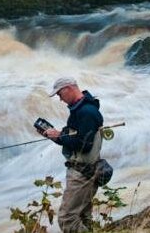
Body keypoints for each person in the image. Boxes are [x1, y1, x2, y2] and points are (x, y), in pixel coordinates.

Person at [42, 77, 104, 233]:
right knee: (83, 216)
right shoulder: (81, 110)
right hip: (86, 169)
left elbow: (84, 145)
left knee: (66, 219)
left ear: (68, 88)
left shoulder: (87, 112)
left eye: (59, 95)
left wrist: (59, 136)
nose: (60, 100)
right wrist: (55, 136)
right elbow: (73, 140)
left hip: (82, 173)